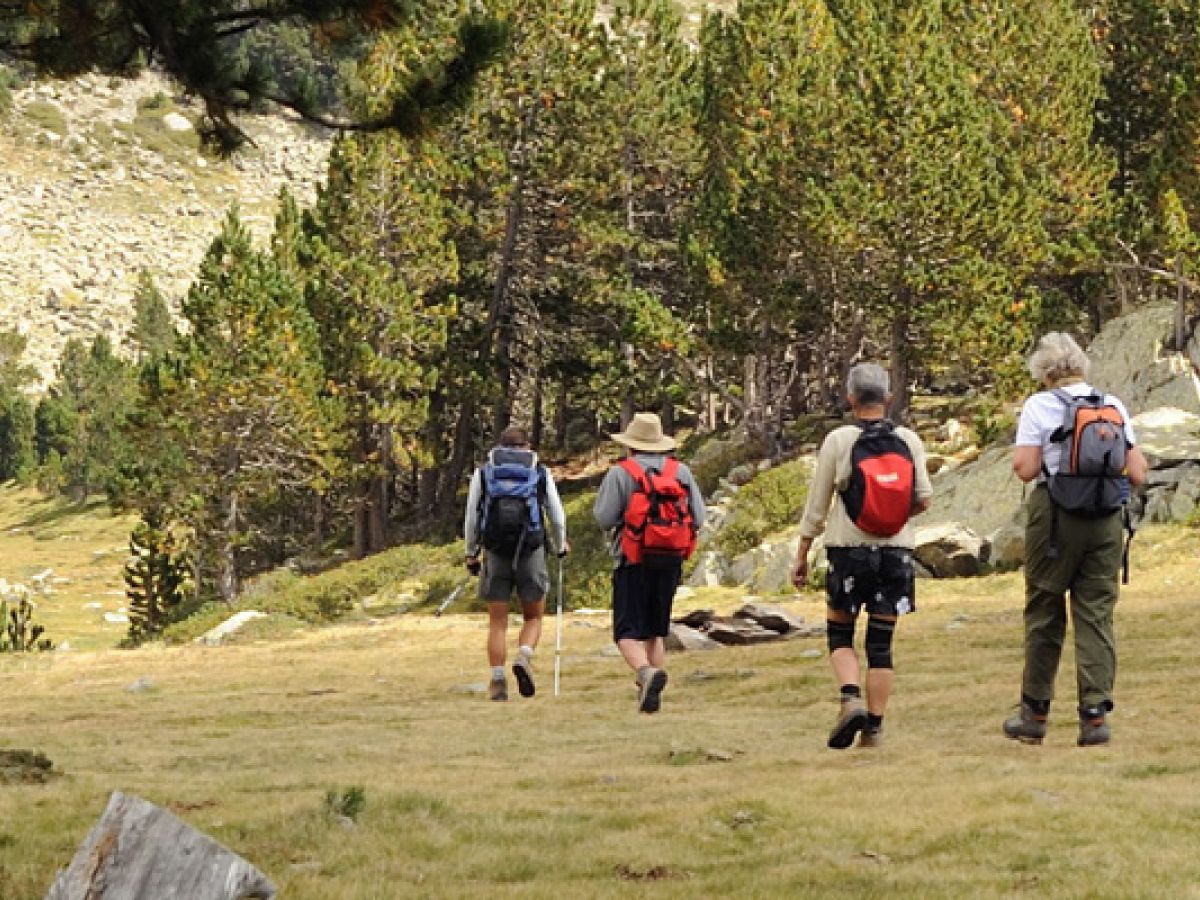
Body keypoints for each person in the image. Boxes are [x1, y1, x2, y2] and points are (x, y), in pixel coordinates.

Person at [1003, 332, 1147, 747]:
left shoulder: (1039, 406)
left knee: (1045, 609)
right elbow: (1137, 472)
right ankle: (1095, 716)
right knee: (1096, 614)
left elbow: (1026, 468)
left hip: (1056, 518)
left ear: (1044, 371)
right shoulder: (1112, 404)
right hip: (1106, 519)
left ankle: (1033, 712)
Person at [791, 363, 933, 749]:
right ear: (888, 398)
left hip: (849, 553)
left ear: (850, 398)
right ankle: (874, 730)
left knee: (840, 633)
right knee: (881, 645)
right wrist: (892, 518)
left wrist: (802, 553)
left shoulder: (839, 440)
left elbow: (817, 505)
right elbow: (923, 498)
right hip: (896, 554)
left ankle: (849, 696)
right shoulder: (909, 439)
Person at [594, 412, 706, 714]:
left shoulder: (621, 473)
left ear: (631, 445)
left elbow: (604, 518)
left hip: (632, 560)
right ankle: (650, 700)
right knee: (655, 630)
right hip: (670, 560)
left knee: (626, 632)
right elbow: (699, 516)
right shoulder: (680, 472)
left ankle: (645, 673)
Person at [464, 426, 569, 702]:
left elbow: (473, 517)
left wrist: (471, 551)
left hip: (496, 551)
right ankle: (524, 655)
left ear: (501, 445)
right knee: (533, 616)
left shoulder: (485, 472)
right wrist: (560, 545)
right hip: (530, 549)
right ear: (527, 445)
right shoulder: (539, 472)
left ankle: (498, 681)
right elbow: (557, 517)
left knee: (497, 621)